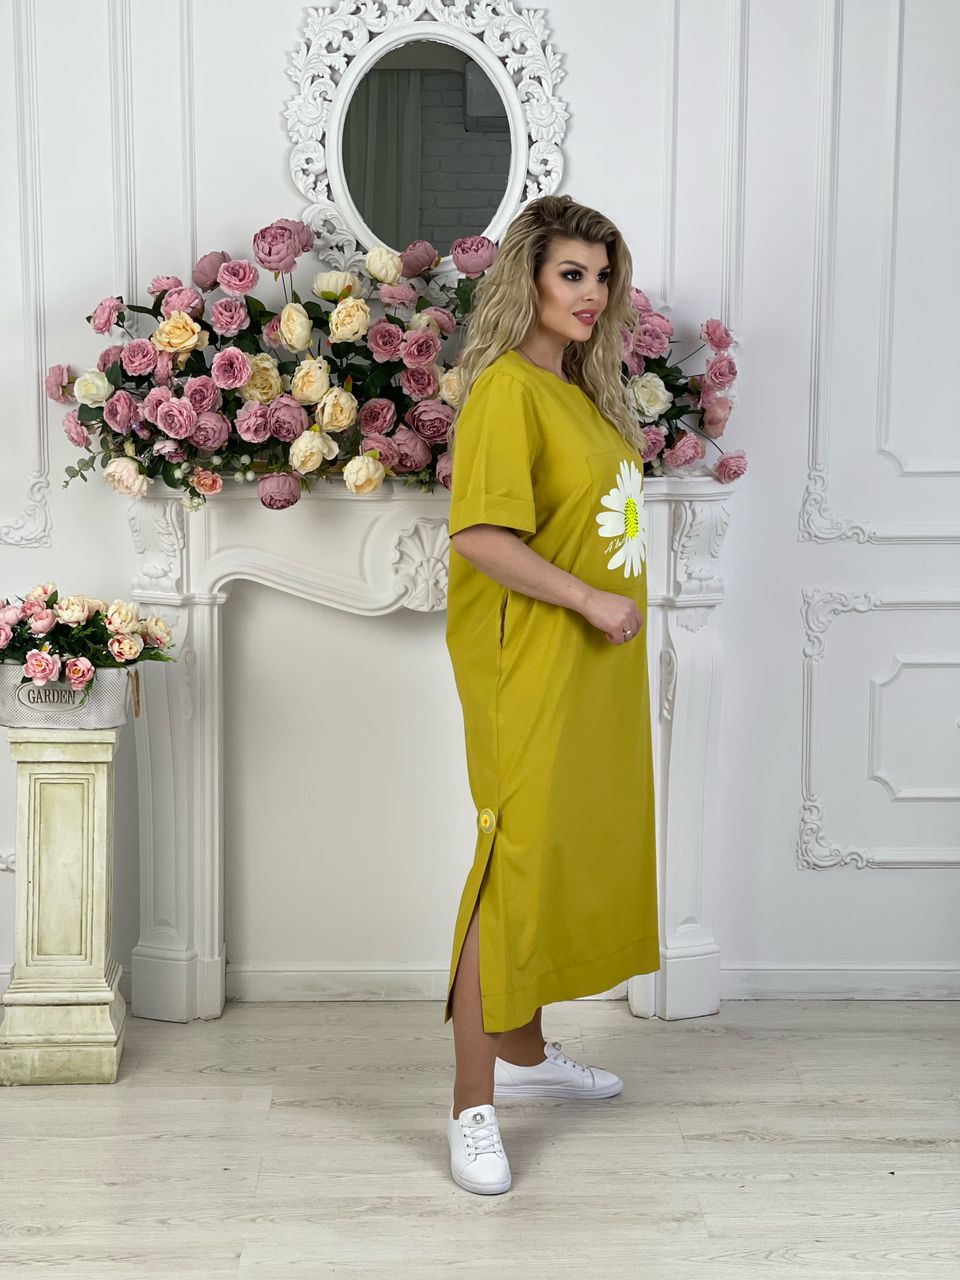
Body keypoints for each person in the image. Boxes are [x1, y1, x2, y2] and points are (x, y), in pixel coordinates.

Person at [442, 193, 661, 1195]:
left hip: (591, 661)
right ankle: (471, 1105)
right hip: (529, 657)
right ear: (527, 276)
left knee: (559, 850)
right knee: (511, 859)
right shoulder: (505, 391)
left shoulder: (576, 389)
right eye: (572, 273)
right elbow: (480, 536)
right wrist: (587, 599)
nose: (592, 293)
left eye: (602, 276)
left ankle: (526, 1054)